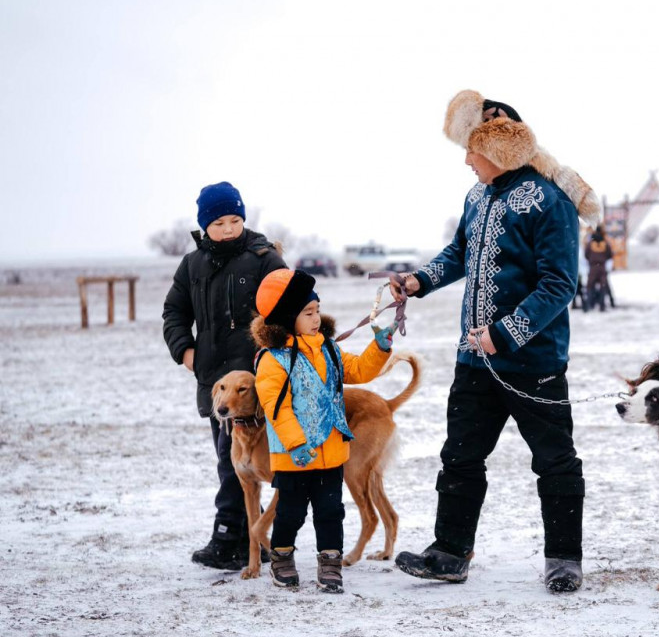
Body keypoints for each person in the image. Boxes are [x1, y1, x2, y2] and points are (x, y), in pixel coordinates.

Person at [389, 90, 601, 593]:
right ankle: (449, 552)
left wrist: (504, 334)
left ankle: (564, 558)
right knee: (459, 457)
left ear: (498, 147)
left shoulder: (549, 201)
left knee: (554, 461)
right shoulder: (477, 197)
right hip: (474, 362)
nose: (466, 160)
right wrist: (419, 280)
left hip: (535, 363)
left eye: (472, 149)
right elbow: (460, 253)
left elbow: (559, 285)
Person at [162, 182, 286, 570]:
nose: (229, 229)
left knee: (254, 463)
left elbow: (290, 307)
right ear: (205, 225)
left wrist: (273, 354)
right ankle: (244, 537)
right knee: (231, 461)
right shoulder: (192, 265)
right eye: (218, 223)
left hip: (260, 385)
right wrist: (186, 351)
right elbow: (174, 313)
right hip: (218, 386)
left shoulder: (265, 259)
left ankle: (233, 538)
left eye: (235, 220)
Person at [251, 269, 395, 592]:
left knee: (331, 512)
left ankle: (330, 562)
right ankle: (281, 557)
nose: (316, 318)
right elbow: (277, 408)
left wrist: (379, 349)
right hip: (294, 457)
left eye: (317, 310)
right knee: (290, 513)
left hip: (331, 452)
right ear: (288, 318)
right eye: (308, 313)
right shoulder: (273, 360)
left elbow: (356, 370)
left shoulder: (328, 349)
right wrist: (296, 443)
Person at [585, 226, 614, 311]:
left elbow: (586, 254)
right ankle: (602, 306)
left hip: (593, 267)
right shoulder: (605, 243)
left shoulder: (590, 244)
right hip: (602, 267)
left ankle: (589, 305)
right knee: (603, 286)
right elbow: (610, 254)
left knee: (590, 286)